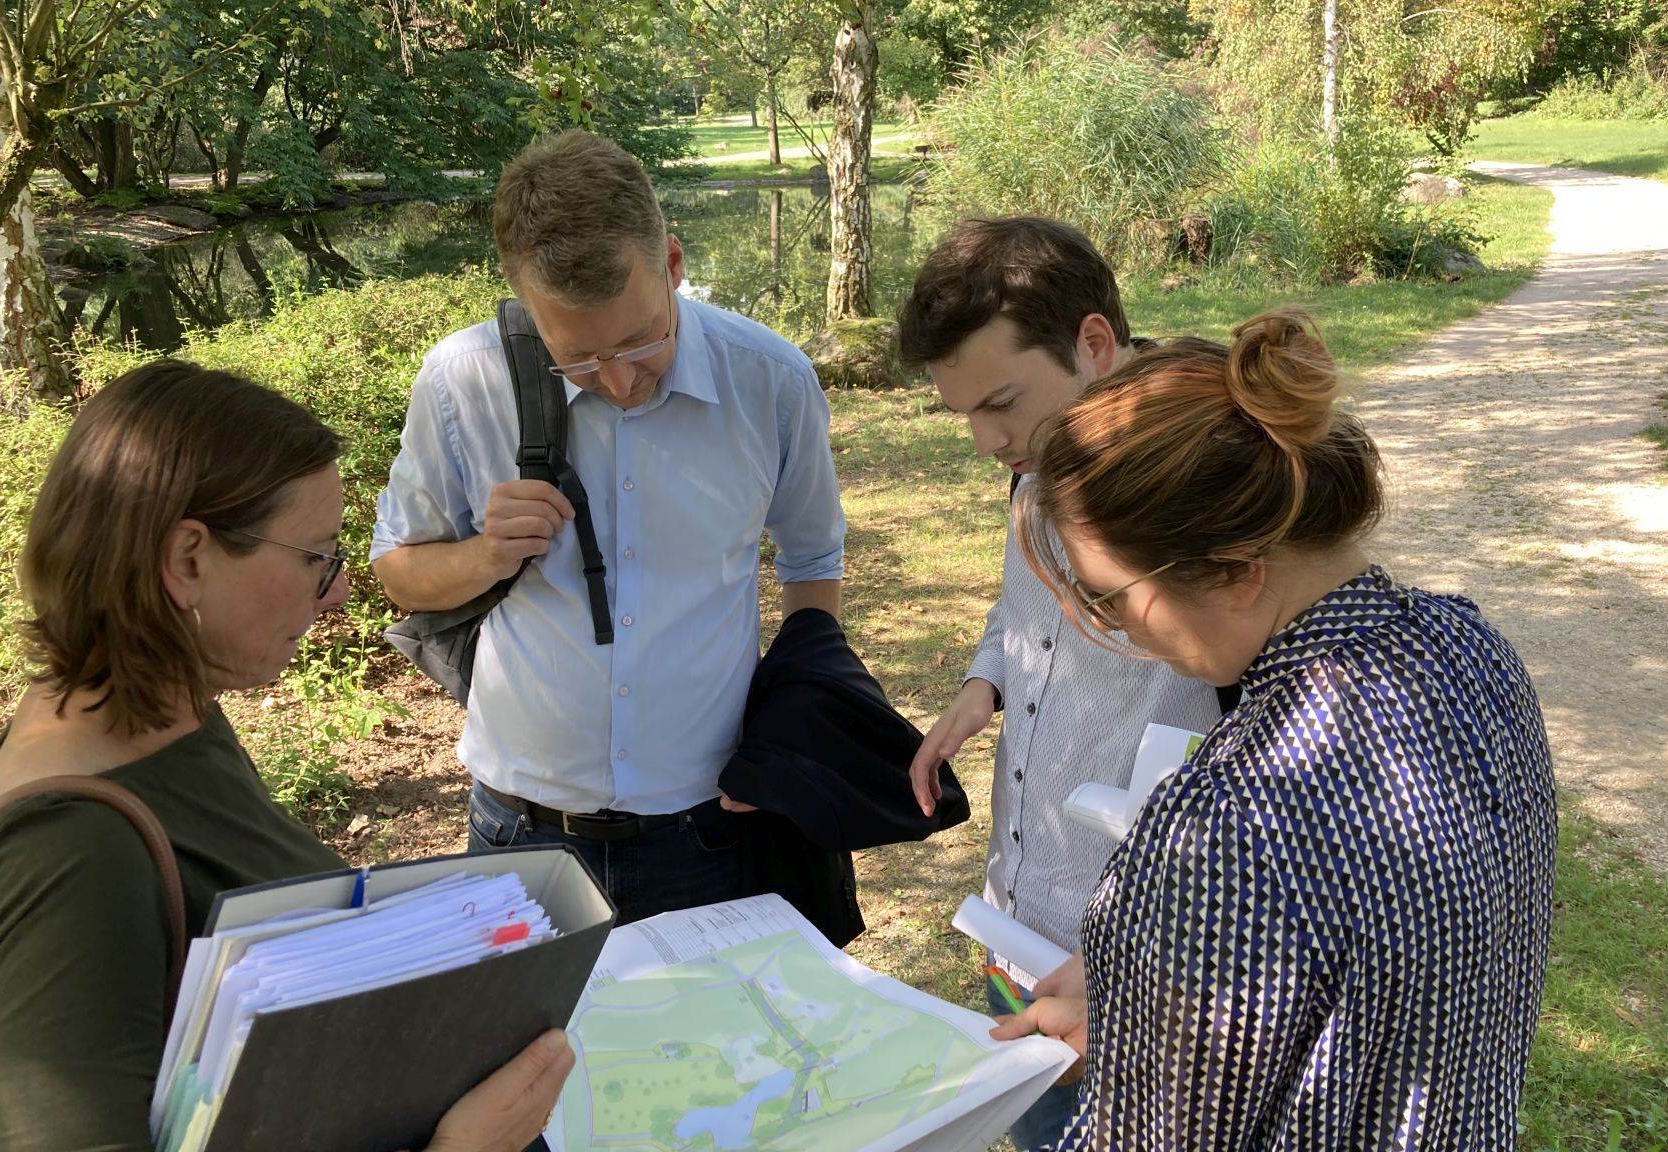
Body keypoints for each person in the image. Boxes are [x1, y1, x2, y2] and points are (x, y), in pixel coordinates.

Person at [0, 361, 571, 1152]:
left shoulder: (166, 710)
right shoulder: (64, 851)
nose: (339, 592)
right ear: (186, 562)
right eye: (316, 556)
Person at [988, 310, 1557, 1149]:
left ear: (1234, 573)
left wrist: (1130, 1045)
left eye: (1107, 596)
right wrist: (1135, 990)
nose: (1107, 629)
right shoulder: (1471, 651)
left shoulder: (1229, 824)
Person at [370, 129, 845, 924]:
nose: (619, 380)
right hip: (518, 837)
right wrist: (487, 555)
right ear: (527, 307)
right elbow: (398, 569)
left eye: (640, 341)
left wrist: (792, 725)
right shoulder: (463, 381)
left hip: (713, 835)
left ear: (674, 266)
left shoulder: (771, 380)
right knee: (531, 1052)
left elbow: (812, 557)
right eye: (578, 358)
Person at [896, 217, 1223, 1149]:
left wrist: (1157, 957)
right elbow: (1020, 611)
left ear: (1093, 342)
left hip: (1145, 964)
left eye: (1001, 400)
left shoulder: (1200, 488)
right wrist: (982, 684)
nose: (984, 440)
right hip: (1017, 916)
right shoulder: (1040, 462)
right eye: (963, 413)